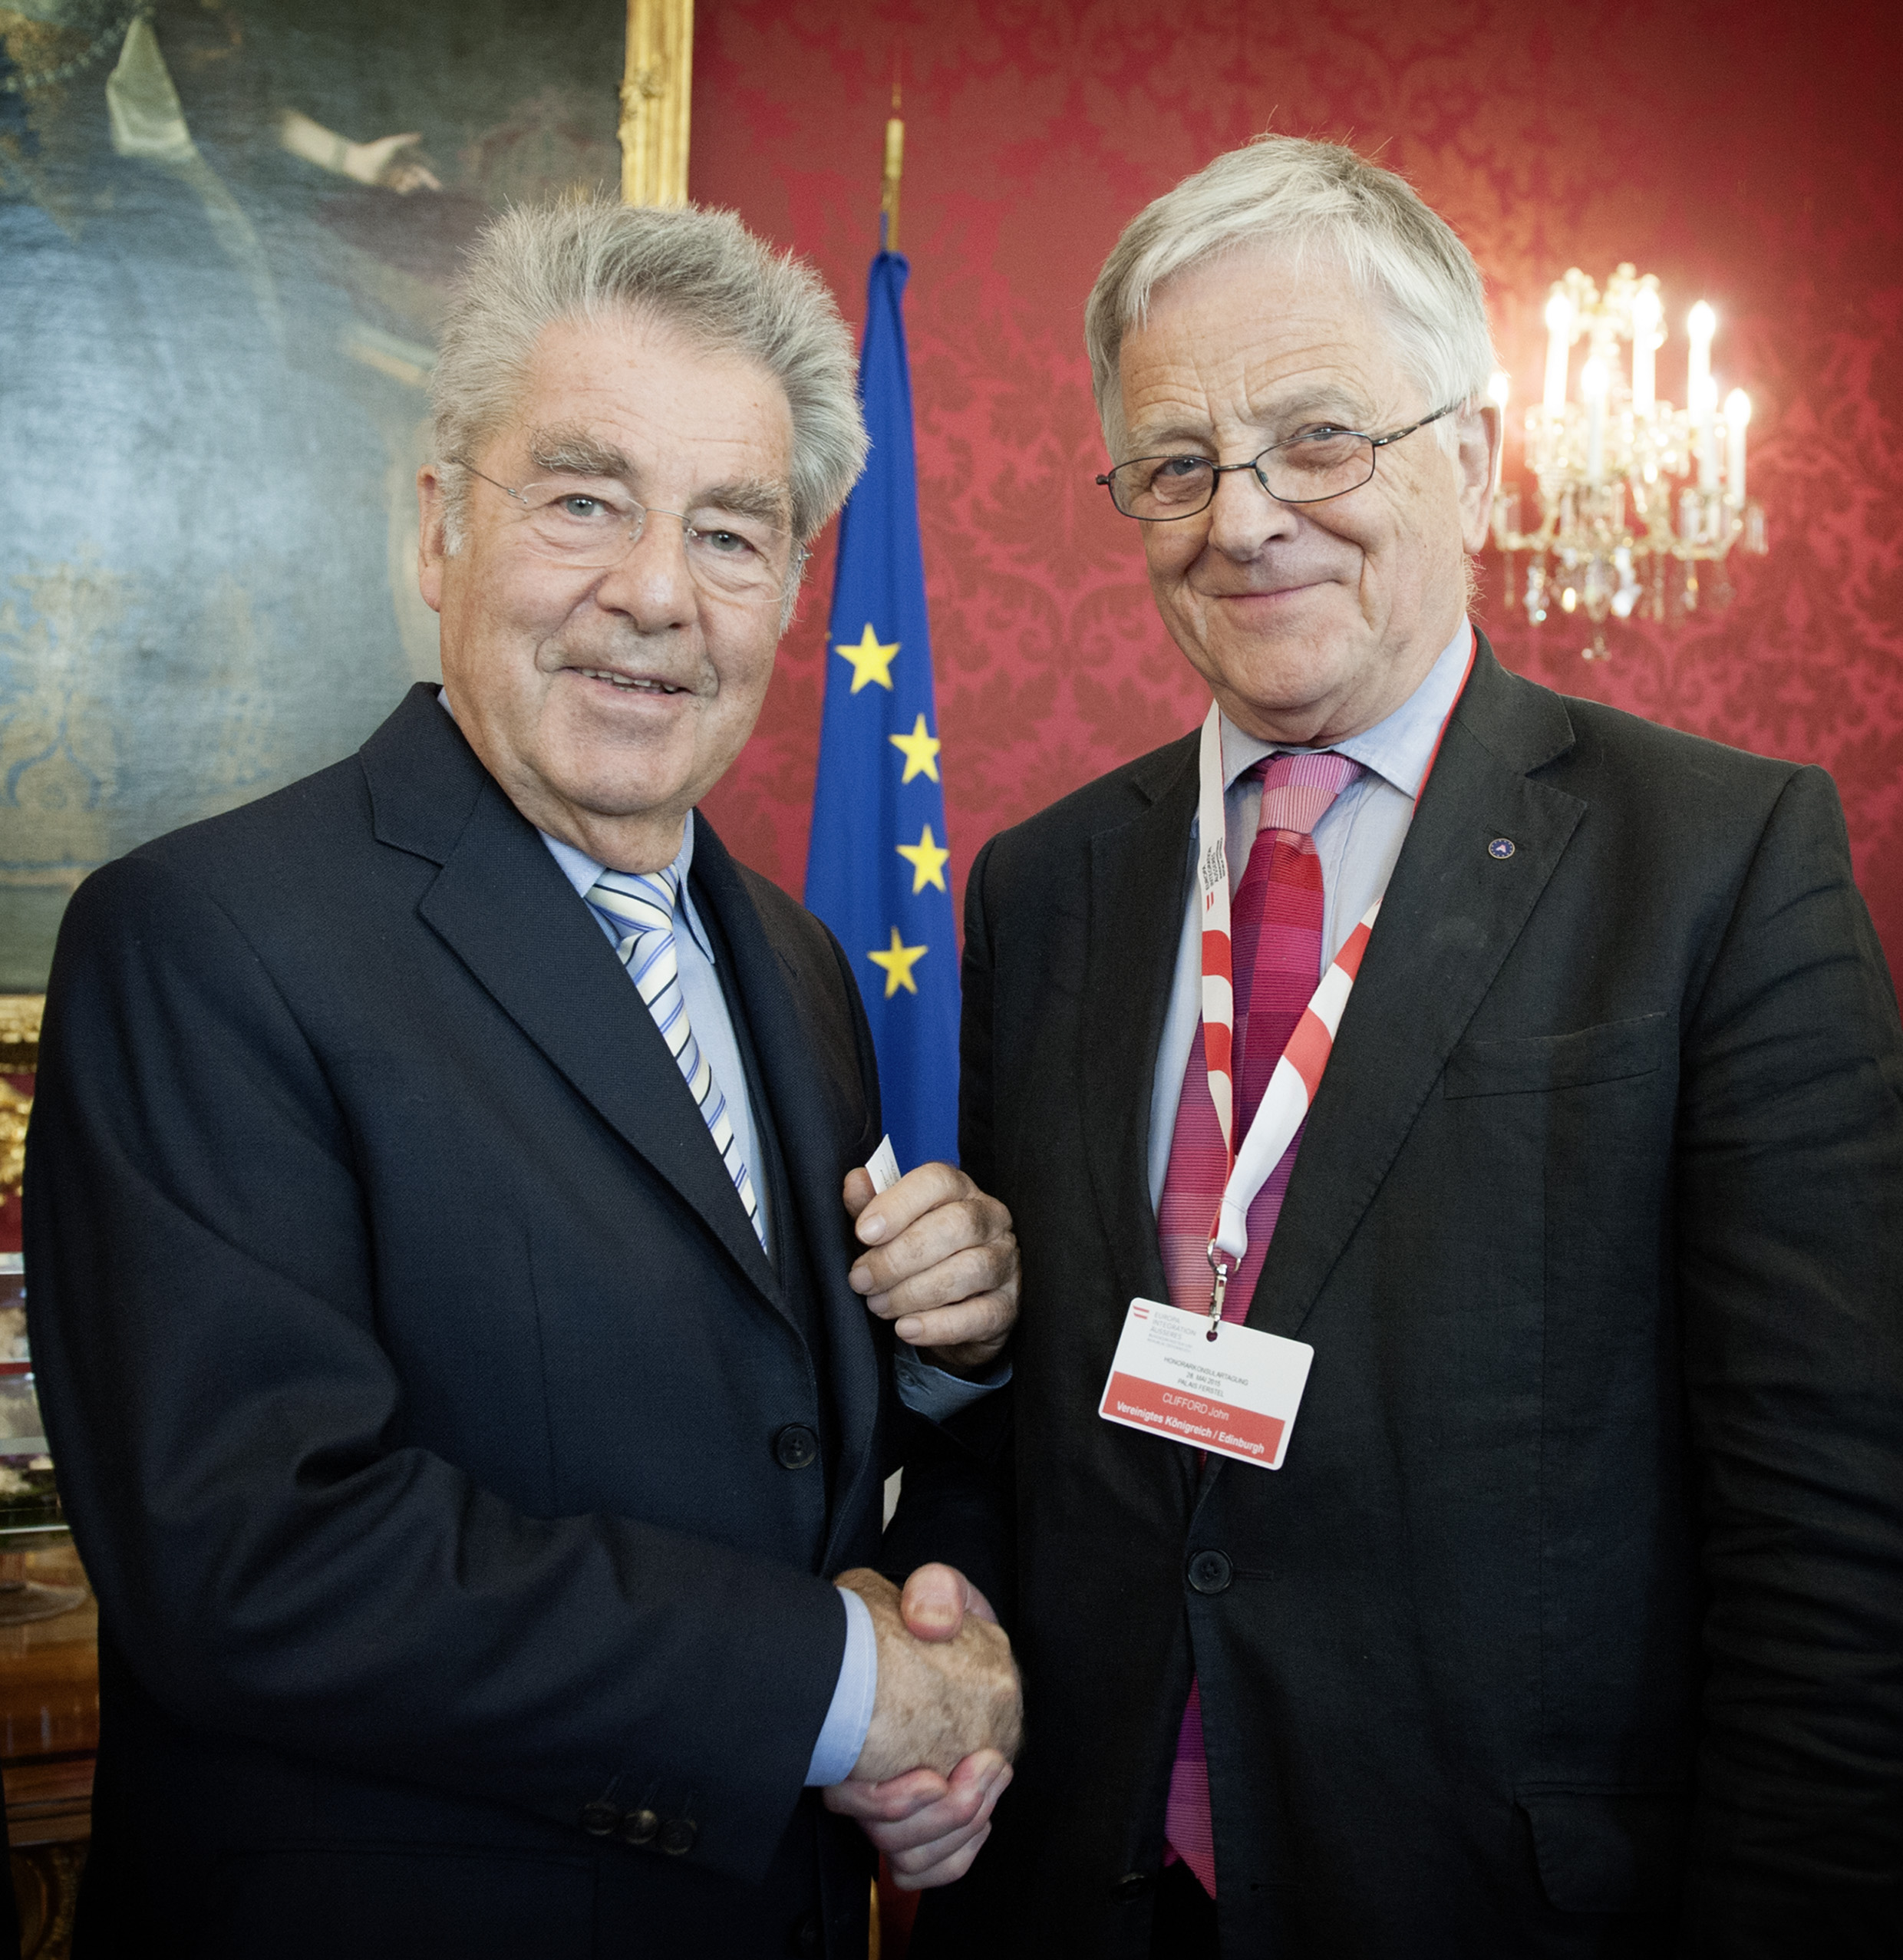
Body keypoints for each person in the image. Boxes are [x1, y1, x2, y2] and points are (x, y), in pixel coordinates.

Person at [866, 137, 1903, 1956]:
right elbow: (1036, 1421)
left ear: (1475, 458)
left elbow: (1832, 1520)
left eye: (1319, 438)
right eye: (1176, 462)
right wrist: (932, 1624)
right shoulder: (1043, 882)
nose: (1244, 516)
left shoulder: (1717, 860)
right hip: (1077, 1887)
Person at [25, 196, 1023, 1959]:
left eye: (731, 532)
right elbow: (257, 1558)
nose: (656, 592)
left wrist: (947, 1364)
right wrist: (844, 1689)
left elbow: (771, 1424)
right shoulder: (205, 937)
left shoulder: (797, 964)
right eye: (583, 499)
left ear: (791, 591)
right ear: (438, 527)